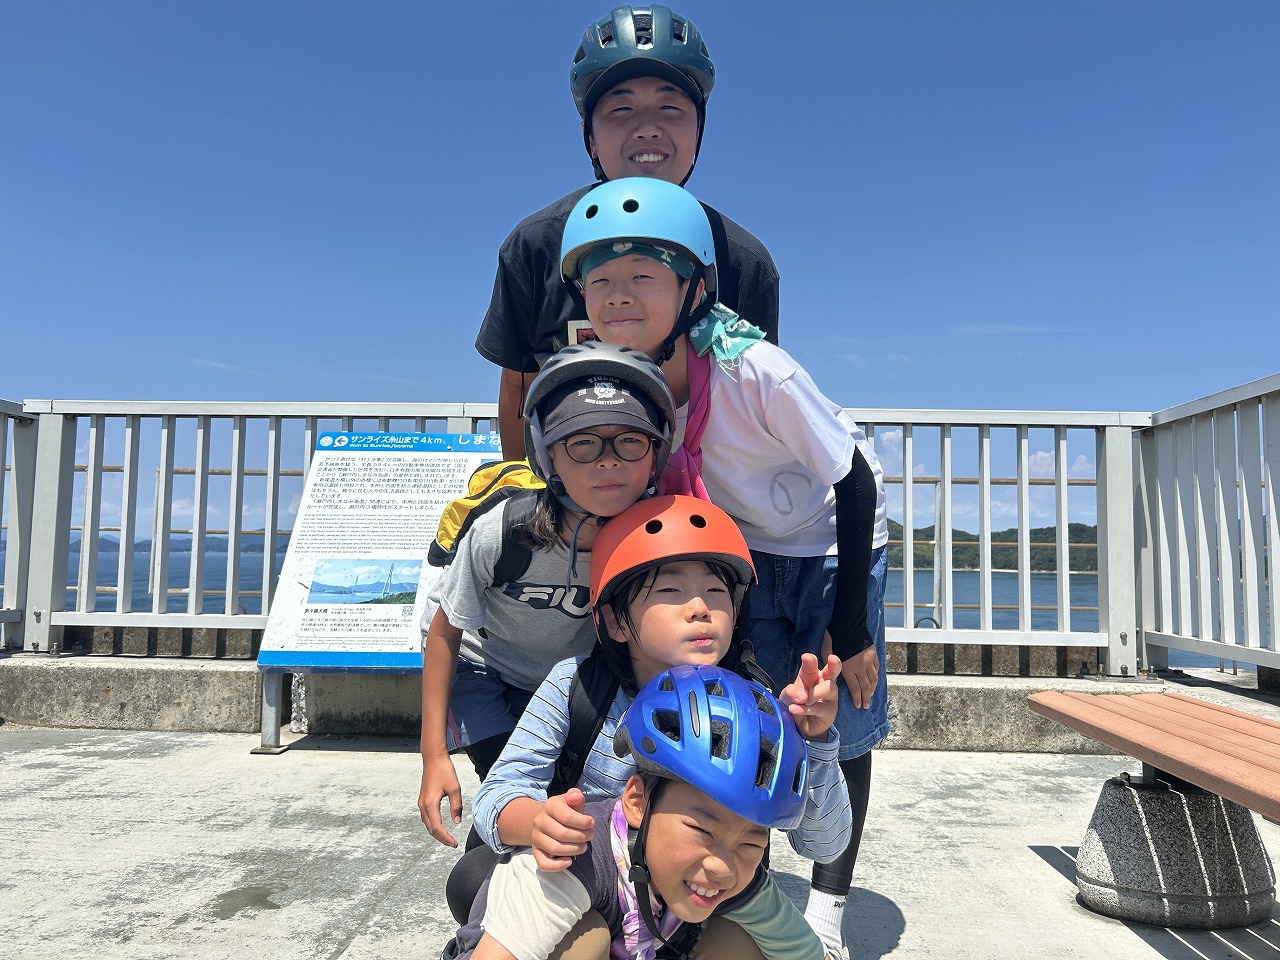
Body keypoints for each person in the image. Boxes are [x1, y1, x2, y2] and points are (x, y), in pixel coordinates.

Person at [561, 177, 892, 960]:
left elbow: (853, 478)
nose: (619, 295)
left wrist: (851, 628)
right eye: (600, 280)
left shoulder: (754, 369)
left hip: (834, 540)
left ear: (694, 289)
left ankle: (829, 908)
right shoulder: (629, 381)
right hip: (749, 549)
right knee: (767, 713)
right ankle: (739, 876)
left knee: (839, 722)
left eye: (643, 275)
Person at [463, 495, 849, 960]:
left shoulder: (754, 710)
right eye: (670, 590)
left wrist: (812, 742)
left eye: (717, 592)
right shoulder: (578, 685)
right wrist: (539, 822)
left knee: (742, 941)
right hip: (593, 882)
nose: (700, 608)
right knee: (555, 920)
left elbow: (824, 843)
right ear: (614, 620)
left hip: (689, 897)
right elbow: (499, 791)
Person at [475, 4, 780, 459]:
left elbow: (760, 395)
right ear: (590, 137)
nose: (647, 128)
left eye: (670, 107)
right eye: (621, 108)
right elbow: (518, 381)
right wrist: (520, 477)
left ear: (699, 128)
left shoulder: (743, 261)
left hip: (702, 495)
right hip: (571, 489)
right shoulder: (534, 246)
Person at [418, 340, 675, 848]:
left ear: (656, 454)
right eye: (582, 443)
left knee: (569, 796)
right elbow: (444, 634)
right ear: (545, 453)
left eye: (630, 441)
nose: (608, 462)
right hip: (485, 672)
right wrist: (433, 756)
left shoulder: (654, 538)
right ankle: (481, 886)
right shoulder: (502, 532)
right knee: (513, 798)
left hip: (571, 683)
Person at [450, 664, 831, 960]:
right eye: (702, 830)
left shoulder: (737, 880)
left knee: (739, 940)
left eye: (750, 843)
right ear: (637, 801)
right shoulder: (574, 861)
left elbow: (806, 952)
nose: (722, 867)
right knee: (587, 938)